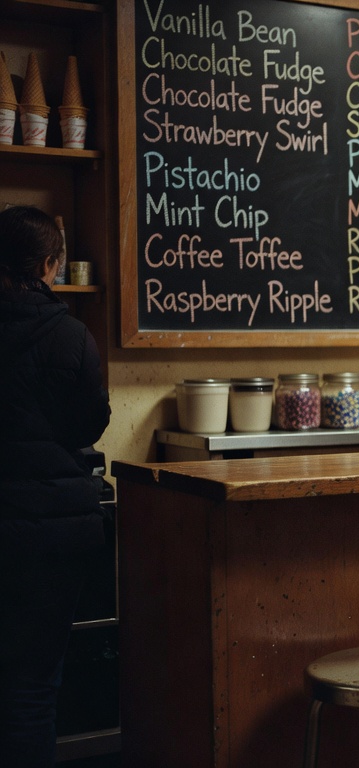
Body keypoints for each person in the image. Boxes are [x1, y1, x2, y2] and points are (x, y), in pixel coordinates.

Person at [0, 205, 111, 767]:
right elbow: (90, 424)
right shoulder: (72, 337)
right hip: (50, 539)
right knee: (31, 688)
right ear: (49, 264)